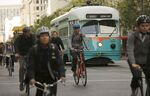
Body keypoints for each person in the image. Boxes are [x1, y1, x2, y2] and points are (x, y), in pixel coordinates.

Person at [27, 26, 65, 96]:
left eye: (46, 35)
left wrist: (62, 75)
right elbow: (31, 66)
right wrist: (32, 78)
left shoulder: (54, 48)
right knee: (39, 93)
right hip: (39, 78)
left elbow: (60, 63)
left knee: (52, 94)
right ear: (38, 37)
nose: (45, 37)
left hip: (52, 77)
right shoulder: (34, 50)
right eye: (42, 36)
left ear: (49, 37)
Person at [127, 15, 150, 96]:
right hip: (135, 61)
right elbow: (130, 50)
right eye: (142, 26)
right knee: (136, 76)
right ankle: (134, 89)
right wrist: (133, 63)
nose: (145, 27)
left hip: (147, 61)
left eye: (147, 25)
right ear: (138, 26)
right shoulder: (132, 36)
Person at [14, 26, 35, 91]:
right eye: (26, 32)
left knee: (33, 67)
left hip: (30, 55)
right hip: (22, 55)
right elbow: (16, 45)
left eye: (29, 32)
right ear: (24, 33)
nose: (28, 33)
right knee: (22, 67)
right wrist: (17, 53)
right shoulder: (19, 38)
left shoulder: (32, 37)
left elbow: (35, 44)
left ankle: (32, 79)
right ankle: (21, 82)